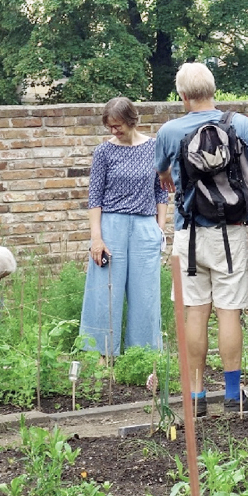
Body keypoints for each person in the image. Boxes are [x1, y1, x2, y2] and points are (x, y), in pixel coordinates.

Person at [155, 62, 248, 416]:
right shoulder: (240, 125)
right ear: (213, 90)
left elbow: (162, 174)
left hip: (189, 234)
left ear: (182, 96)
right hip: (230, 233)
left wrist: (170, 176)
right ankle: (233, 395)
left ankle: (196, 397)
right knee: (228, 312)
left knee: (195, 313)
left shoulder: (169, 131)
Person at [79, 97, 168, 356]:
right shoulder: (104, 152)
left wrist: (159, 229)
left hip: (145, 226)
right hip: (111, 226)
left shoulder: (154, 148)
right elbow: (94, 198)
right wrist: (96, 238)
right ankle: (100, 354)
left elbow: (162, 191)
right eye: (109, 126)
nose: (113, 131)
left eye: (117, 125)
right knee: (104, 292)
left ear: (131, 121)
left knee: (145, 294)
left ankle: (143, 356)